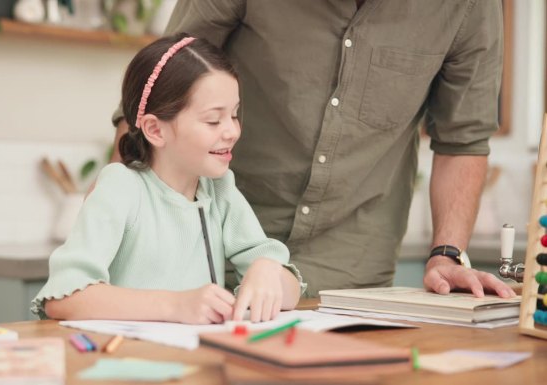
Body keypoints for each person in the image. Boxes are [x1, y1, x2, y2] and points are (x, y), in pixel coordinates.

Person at [108, 0, 515, 298]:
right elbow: (156, 88)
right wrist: (120, 213)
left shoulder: (465, 7)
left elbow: (463, 140)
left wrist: (446, 255)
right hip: (203, 248)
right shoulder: (213, 206)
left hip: (352, 268)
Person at [33, 34, 305, 324]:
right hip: (126, 360)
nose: (232, 132)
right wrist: (176, 306)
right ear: (155, 130)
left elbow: (291, 291)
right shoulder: (120, 187)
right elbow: (63, 298)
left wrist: (269, 270)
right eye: (214, 120)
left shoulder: (219, 190)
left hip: (196, 360)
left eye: (235, 115)